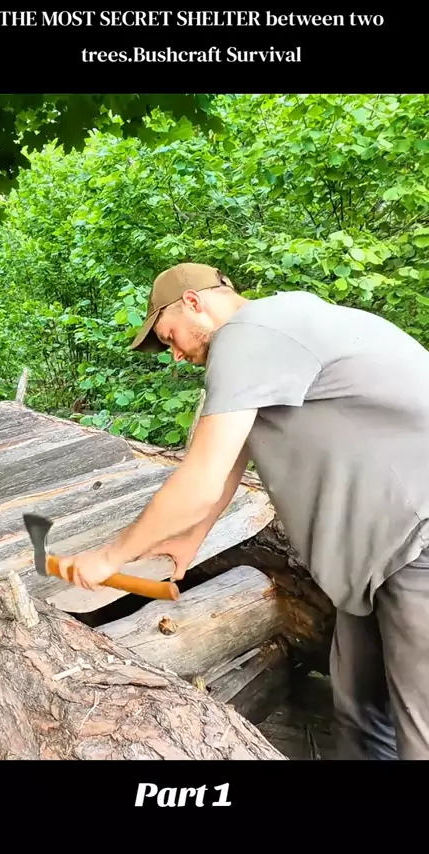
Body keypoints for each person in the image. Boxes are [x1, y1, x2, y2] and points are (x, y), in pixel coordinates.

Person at [59, 262, 429, 761]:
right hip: (376, 558)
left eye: (169, 337)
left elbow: (201, 477)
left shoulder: (248, 334)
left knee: (419, 732)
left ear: (193, 302)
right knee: (363, 716)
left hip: (417, 545)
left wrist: (109, 556)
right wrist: (192, 538)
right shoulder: (277, 327)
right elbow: (233, 459)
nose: (176, 354)